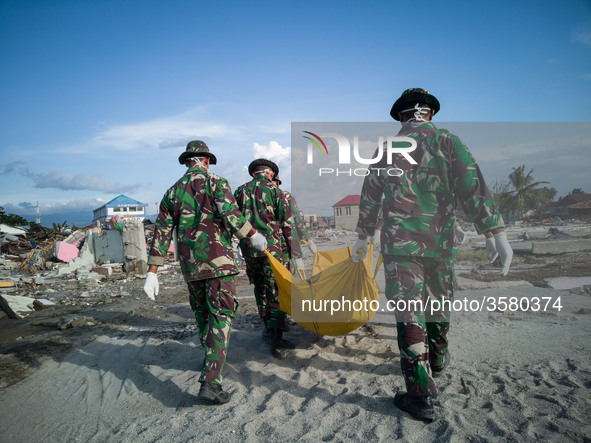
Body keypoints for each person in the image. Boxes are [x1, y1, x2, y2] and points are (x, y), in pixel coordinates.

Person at [353, 88, 513, 422]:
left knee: (409, 312)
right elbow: (473, 186)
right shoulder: (449, 142)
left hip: (400, 245)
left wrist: (363, 235)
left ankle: (420, 397)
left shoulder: (386, 149)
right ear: (430, 114)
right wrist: (495, 232)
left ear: (401, 116)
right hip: (440, 241)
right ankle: (437, 360)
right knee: (439, 301)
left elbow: (370, 195)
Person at [143, 140, 267, 405]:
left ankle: (210, 362)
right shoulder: (216, 183)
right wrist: (253, 235)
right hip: (218, 264)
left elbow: (162, 233)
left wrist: (152, 272)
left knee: (202, 316)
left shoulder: (172, 192)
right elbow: (230, 214)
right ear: (206, 160)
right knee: (220, 318)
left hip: (191, 267)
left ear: (188, 161)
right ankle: (211, 381)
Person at [234, 159, 304, 359]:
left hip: (249, 249)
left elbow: (232, 219)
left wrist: (240, 242)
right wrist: (295, 253)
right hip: (272, 250)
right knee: (276, 290)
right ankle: (276, 337)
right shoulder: (276, 191)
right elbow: (287, 224)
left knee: (260, 287)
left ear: (254, 173)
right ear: (271, 174)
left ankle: (266, 326)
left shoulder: (239, 191)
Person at [272, 175, 318, 265]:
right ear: (278, 183)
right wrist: (308, 240)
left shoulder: (255, 195)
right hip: (284, 241)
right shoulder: (286, 196)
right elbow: (297, 220)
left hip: (265, 242)